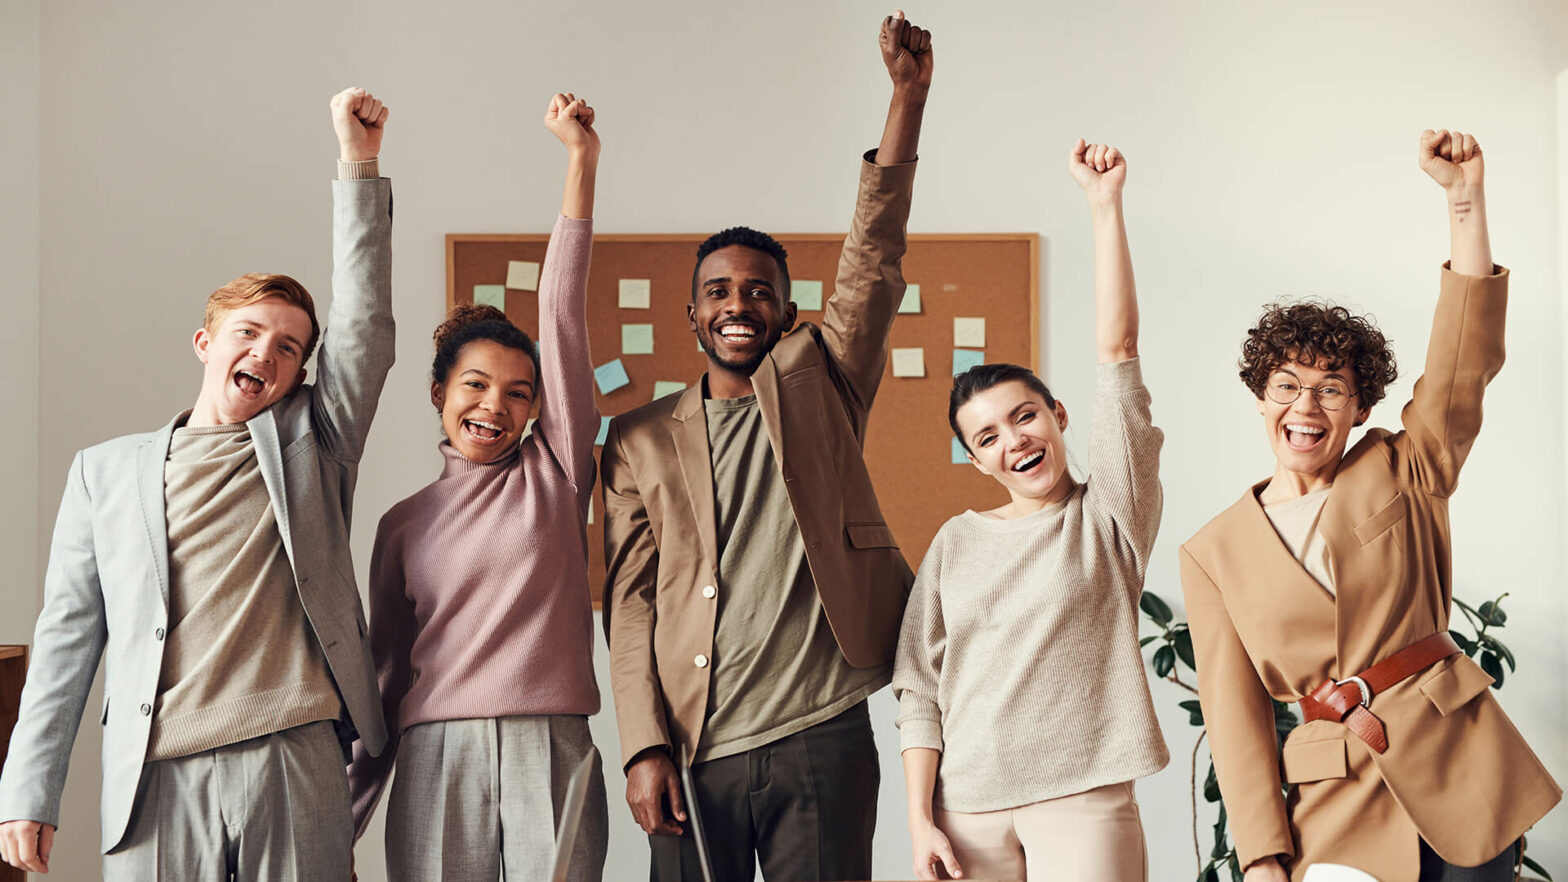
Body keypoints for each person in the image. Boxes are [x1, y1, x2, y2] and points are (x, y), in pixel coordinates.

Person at [0, 87, 395, 880]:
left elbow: (363, 328)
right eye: (250, 333)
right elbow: (67, 640)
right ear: (205, 341)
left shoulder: (313, 445)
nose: (267, 354)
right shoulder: (103, 472)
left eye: (289, 348)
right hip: (155, 771)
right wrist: (27, 788)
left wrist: (358, 163)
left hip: (293, 753)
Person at [599, 11, 931, 881]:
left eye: (758, 292)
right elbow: (629, 605)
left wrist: (907, 101)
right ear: (694, 315)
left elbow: (874, 258)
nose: (737, 304)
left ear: (786, 313)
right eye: (717, 291)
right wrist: (640, 747)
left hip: (821, 733)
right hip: (690, 742)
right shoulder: (636, 439)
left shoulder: (824, 379)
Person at [1179, 130, 1561, 882]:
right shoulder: (1212, 551)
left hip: (1463, 769)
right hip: (1338, 803)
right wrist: (1259, 856)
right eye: (1286, 384)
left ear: (1358, 409)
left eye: (1331, 388)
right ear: (1260, 398)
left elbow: (1464, 362)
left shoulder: (1402, 465)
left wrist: (1463, 201)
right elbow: (1235, 719)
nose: (1306, 404)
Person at [346, 92, 607, 882]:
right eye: (475, 385)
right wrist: (342, 826)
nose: (495, 405)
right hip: (434, 756)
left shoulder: (555, 474)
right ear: (439, 392)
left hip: (551, 745)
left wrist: (580, 162)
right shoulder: (402, 525)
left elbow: (559, 311)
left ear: (538, 408)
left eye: (519, 392)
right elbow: (386, 680)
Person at [893, 140, 1167, 881]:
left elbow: (1121, 353)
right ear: (976, 460)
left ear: (1058, 416)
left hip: (1081, 799)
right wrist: (921, 819)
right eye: (987, 436)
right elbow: (918, 684)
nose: (1013, 440)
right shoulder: (955, 542)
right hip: (965, 809)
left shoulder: (1109, 517)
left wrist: (1103, 206)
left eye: (1024, 417)